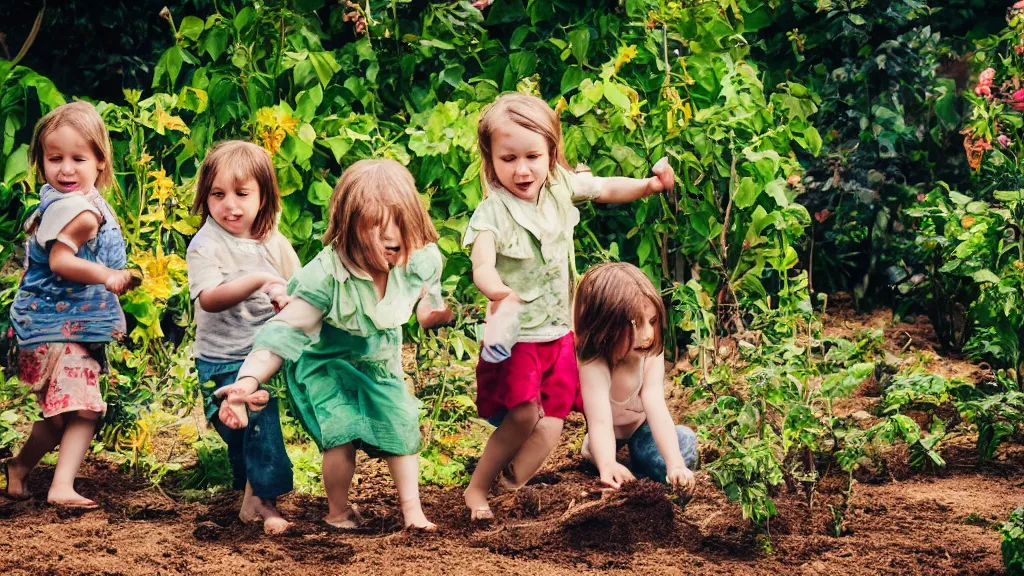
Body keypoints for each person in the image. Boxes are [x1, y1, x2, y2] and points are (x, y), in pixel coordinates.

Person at [462, 92, 676, 521]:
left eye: (532, 156)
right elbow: (481, 264)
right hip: (518, 334)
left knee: (553, 423)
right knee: (524, 413)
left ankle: (509, 488)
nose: (522, 170)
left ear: (551, 154)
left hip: (558, 332)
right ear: (491, 160)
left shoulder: (559, 187)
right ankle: (477, 489)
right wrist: (498, 291)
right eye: (508, 159)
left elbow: (606, 188)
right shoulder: (493, 214)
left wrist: (649, 186)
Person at [215, 159, 452, 530]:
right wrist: (248, 381)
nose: (391, 242)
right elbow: (281, 334)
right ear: (349, 228)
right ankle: (338, 512)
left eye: (400, 230)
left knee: (402, 427)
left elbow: (425, 301)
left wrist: (430, 313)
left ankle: (413, 514)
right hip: (323, 363)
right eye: (377, 230)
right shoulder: (326, 276)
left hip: (379, 361)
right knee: (340, 434)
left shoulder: (419, 257)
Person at [5, 101, 136, 508]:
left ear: (100, 161)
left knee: (60, 417)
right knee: (84, 412)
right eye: (54, 158)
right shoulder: (80, 211)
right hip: (61, 330)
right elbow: (62, 260)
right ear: (40, 161)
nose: (65, 169)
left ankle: (18, 468)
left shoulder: (58, 201)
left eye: (77, 158)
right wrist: (108, 276)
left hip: (38, 326)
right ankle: (61, 486)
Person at [186, 140, 299, 534]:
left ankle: (259, 502)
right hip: (219, 357)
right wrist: (259, 279)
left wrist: (282, 293)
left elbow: (293, 285)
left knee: (257, 418)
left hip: (261, 356)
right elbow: (212, 299)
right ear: (205, 196)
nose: (230, 205)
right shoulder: (206, 245)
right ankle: (247, 484)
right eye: (218, 194)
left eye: (242, 194)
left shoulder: (273, 242)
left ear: (264, 195)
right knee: (237, 430)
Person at [575, 262, 697, 493]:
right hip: (606, 434)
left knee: (685, 440)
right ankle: (615, 466)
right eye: (636, 325)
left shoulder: (650, 354)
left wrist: (675, 464)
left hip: (642, 431)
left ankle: (641, 470)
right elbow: (600, 421)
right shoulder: (595, 363)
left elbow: (656, 407)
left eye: (652, 322)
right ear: (606, 327)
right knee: (599, 450)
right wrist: (607, 463)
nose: (648, 335)